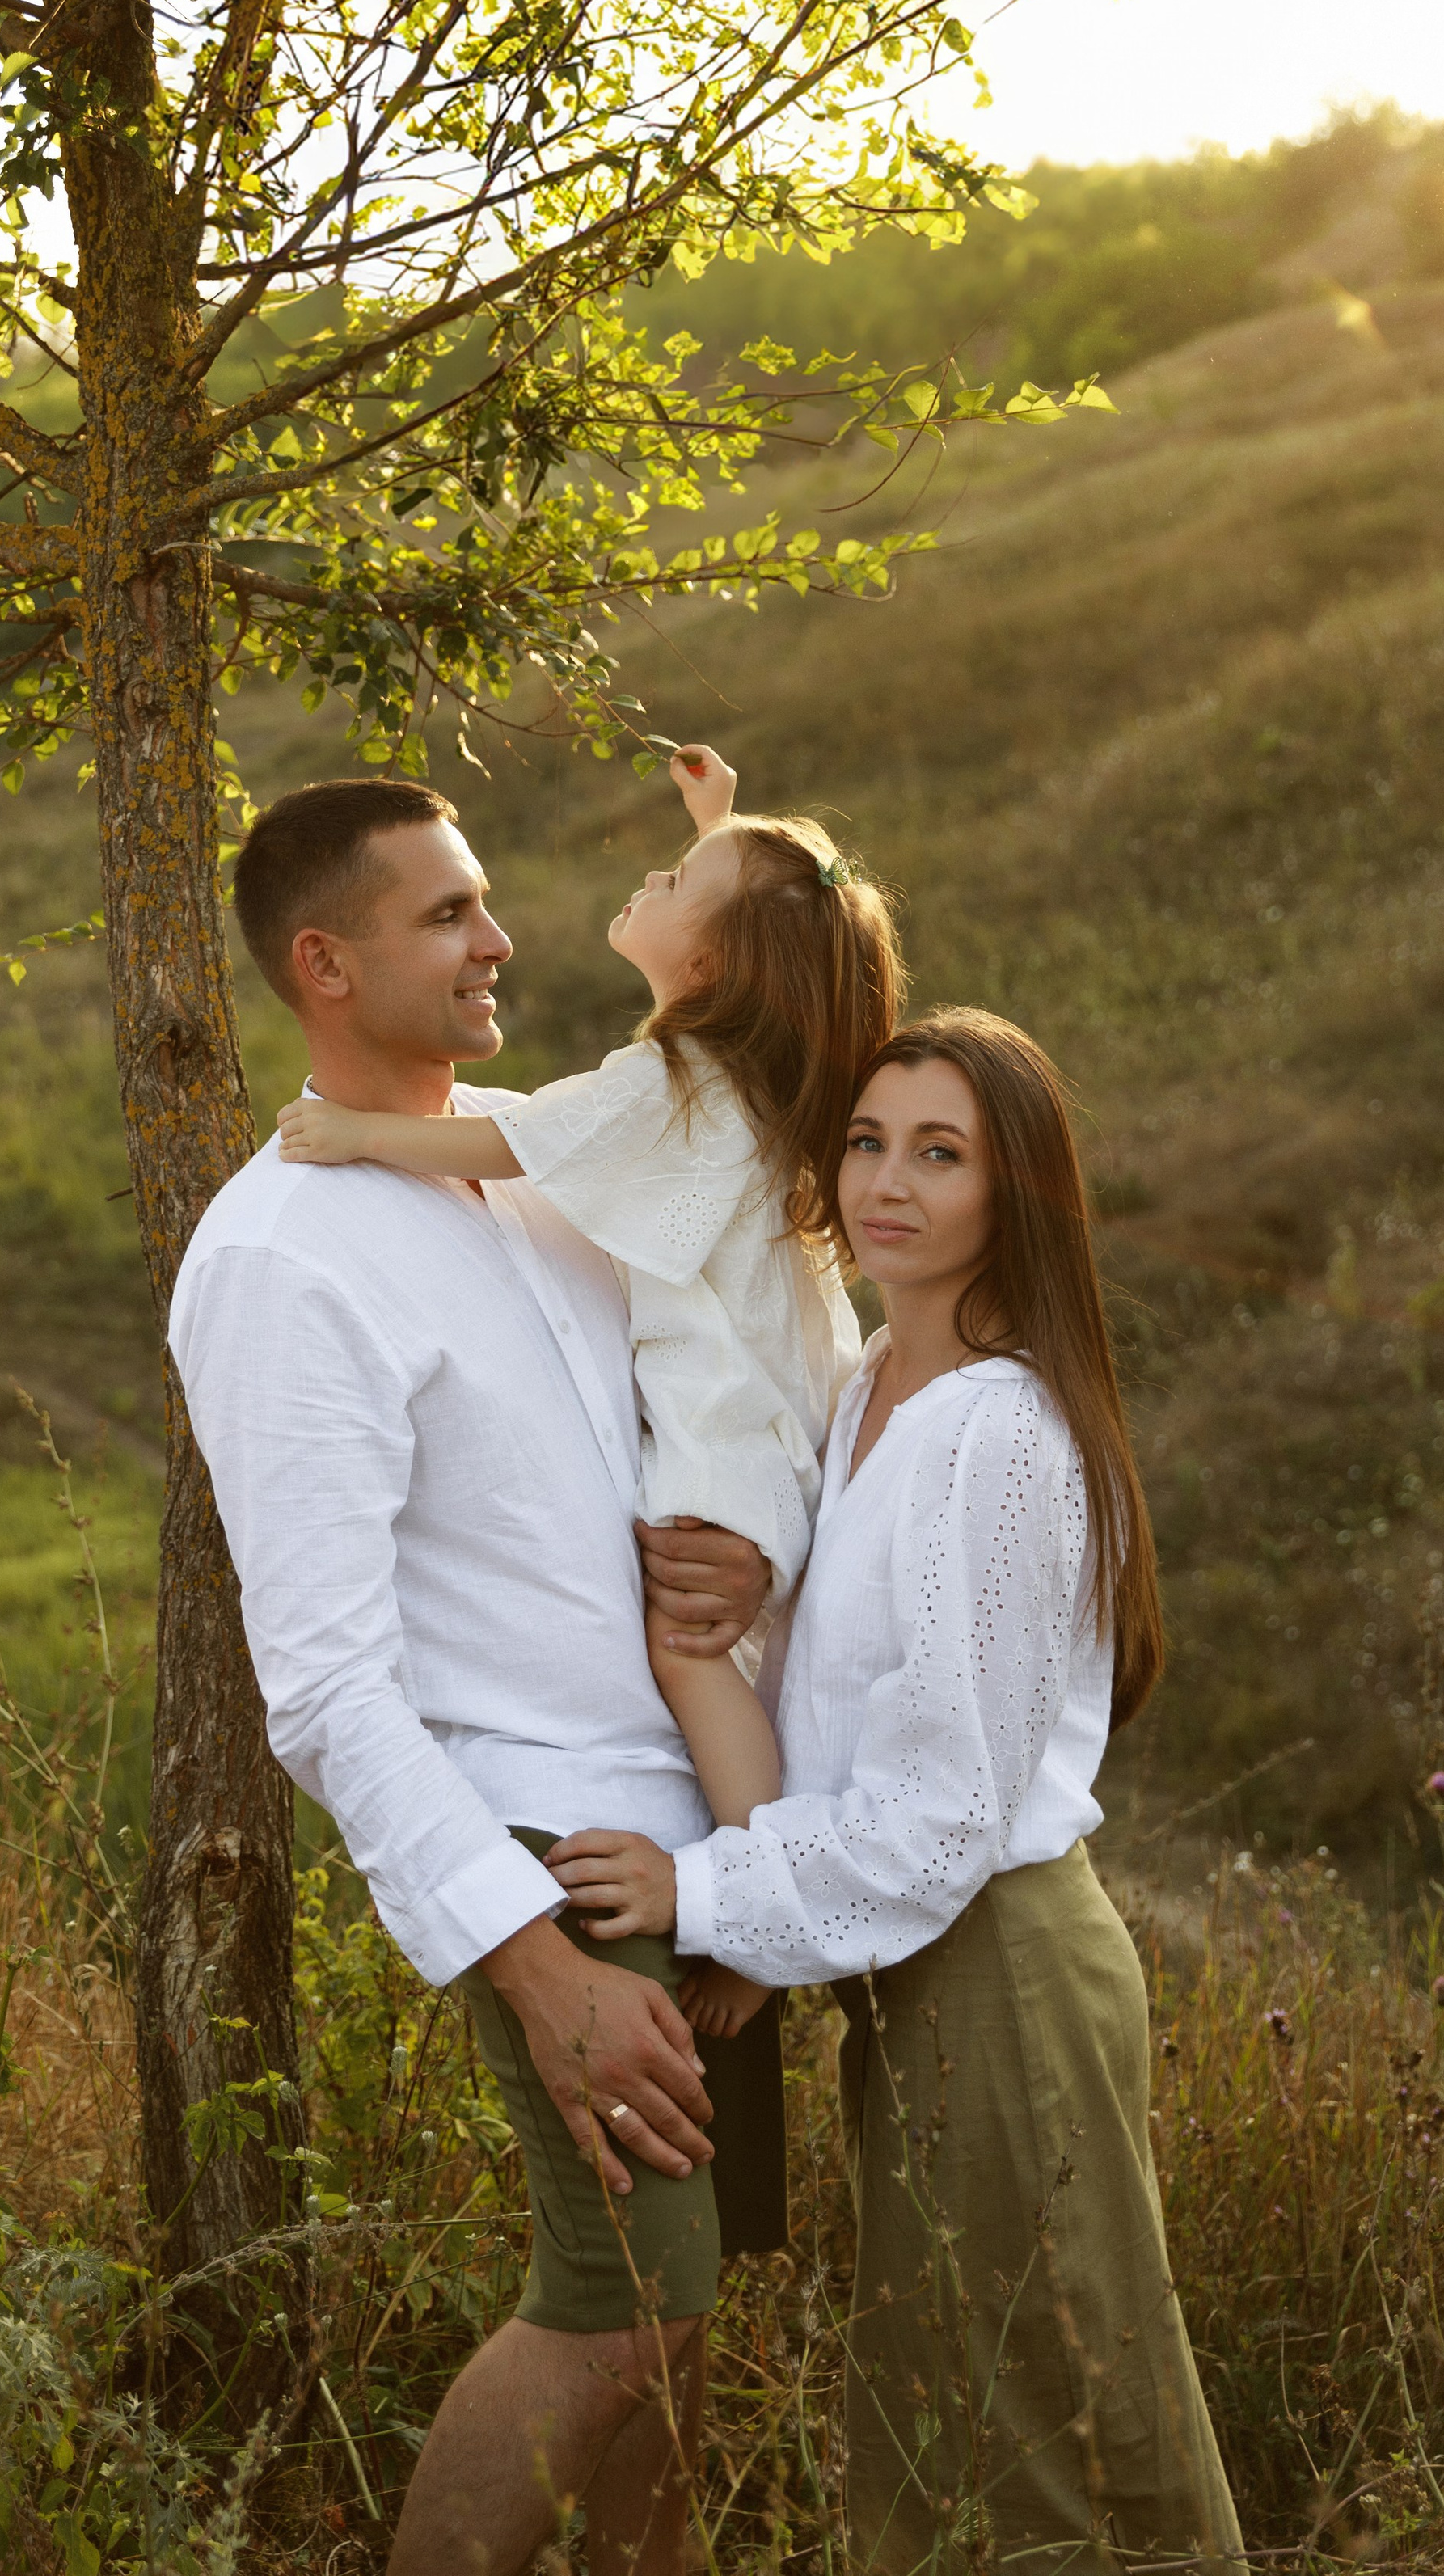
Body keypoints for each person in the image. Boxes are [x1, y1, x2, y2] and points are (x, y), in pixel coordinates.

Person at [168, 773, 795, 2576]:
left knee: (680, 2338)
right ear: (324, 964)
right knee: (612, 2312)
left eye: (485, 901)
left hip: (696, 1838)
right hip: (551, 1855)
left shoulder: (540, 1152)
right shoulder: (281, 1255)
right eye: (444, 914)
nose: (499, 939)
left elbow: (701, 1414)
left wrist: (751, 1833)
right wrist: (531, 1965)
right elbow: (325, 1687)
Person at [549, 1010, 1245, 2574]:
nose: (888, 1182)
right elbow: (833, 1722)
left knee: (1047, 2420)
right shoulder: (871, 1385)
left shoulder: (998, 1430)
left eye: (942, 1153)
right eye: (868, 1141)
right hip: (919, 1968)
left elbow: (940, 1812)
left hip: (1001, 1959)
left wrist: (703, 1893)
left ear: (1020, 1195)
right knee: (956, 2400)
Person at [275, 741, 903, 2041]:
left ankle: (763, 1904)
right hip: (779, 1413)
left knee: (694, 1652)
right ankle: (771, 1880)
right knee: (735, 1657)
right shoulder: (748, 1073)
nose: (649, 876)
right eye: (451, 912)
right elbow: (771, 925)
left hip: (728, 1424)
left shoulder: (671, 1087)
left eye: (676, 876)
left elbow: (519, 1142)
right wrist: (725, 826)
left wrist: (355, 1134)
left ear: (719, 962)